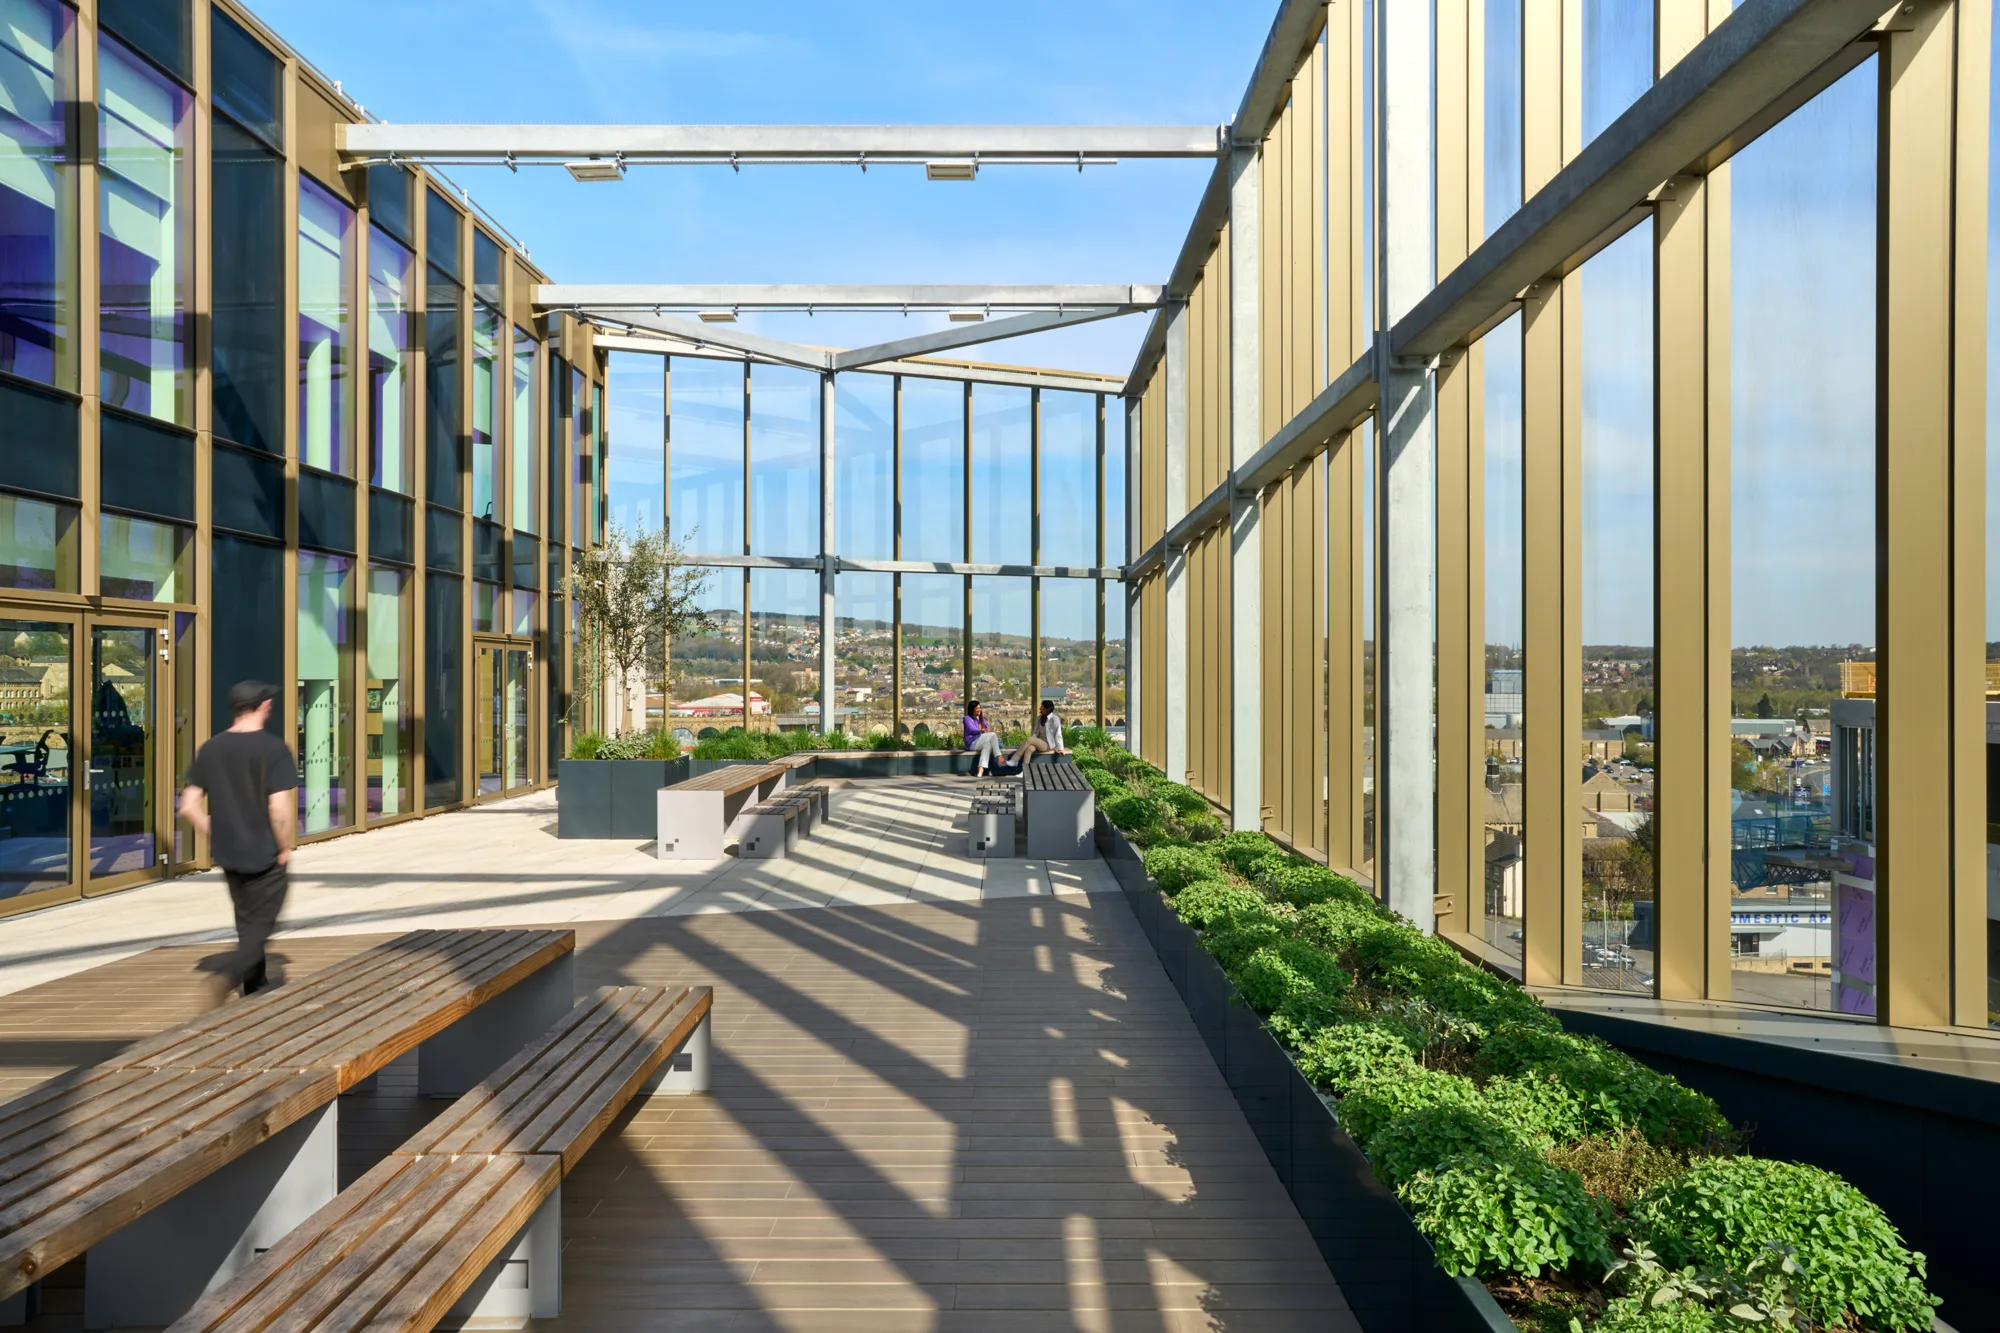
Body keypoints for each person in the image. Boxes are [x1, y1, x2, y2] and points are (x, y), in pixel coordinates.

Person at [179, 681, 297, 1002]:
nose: (271, 705)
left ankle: (254, 987)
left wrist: (213, 833)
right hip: (264, 851)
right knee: (262, 924)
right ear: (261, 707)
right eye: (268, 702)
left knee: (246, 919)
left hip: (229, 852)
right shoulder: (273, 749)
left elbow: (188, 805)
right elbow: (279, 810)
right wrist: (284, 845)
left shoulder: (211, 748)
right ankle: (228, 975)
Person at [1009, 699, 1067, 768]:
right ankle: (1025, 770)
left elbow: (1058, 734)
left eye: (1042, 706)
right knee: (1029, 748)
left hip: (1048, 745)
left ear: (1046, 709)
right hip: (1039, 742)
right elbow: (1035, 733)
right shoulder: (1039, 718)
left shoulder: (1055, 719)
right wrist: (1032, 741)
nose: (1040, 708)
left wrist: (1061, 748)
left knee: (1029, 740)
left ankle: (1014, 759)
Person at [963, 701, 1006, 777]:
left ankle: (980, 769)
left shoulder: (981, 719)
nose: (979, 710)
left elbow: (985, 729)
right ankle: (999, 756)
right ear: (972, 709)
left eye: (980, 708)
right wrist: (981, 730)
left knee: (988, 745)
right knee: (993, 735)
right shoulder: (967, 718)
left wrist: (985, 730)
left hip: (980, 741)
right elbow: (970, 730)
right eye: (977, 708)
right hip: (971, 743)